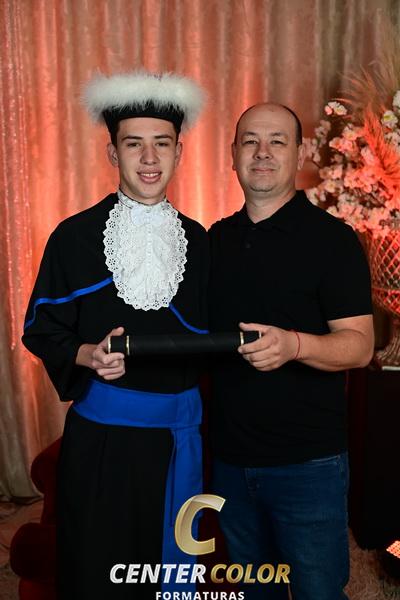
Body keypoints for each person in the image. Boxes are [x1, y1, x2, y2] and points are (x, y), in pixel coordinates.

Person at [22, 70, 208, 600]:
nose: (149, 158)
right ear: (112, 153)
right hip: (103, 442)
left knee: (170, 574)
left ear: (179, 152)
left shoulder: (201, 241)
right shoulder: (73, 237)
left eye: (162, 144)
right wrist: (84, 354)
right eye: (134, 144)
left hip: (181, 440)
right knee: (100, 573)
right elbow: (41, 327)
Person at [208, 102, 374, 600]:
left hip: (308, 465)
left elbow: (360, 346)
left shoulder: (333, 241)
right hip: (229, 461)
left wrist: (294, 345)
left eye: (277, 141)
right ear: (232, 155)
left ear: (299, 154)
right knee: (252, 591)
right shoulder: (214, 240)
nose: (262, 152)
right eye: (250, 141)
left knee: (317, 592)